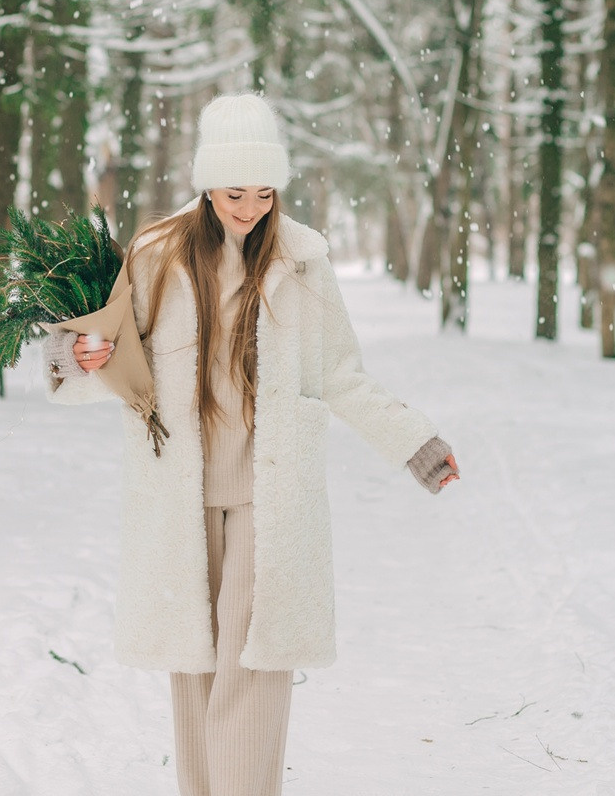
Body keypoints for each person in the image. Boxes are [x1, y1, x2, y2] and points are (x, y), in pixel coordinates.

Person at [43, 92, 459, 796]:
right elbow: (113, 358)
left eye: (264, 192)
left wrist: (413, 441)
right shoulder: (155, 255)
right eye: (236, 192)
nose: (251, 207)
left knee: (255, 665)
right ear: (207, 185)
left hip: (271, 497)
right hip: (179, 492)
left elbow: (338, 373)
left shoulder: (301, 260)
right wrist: (75, 355)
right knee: (196, 668)